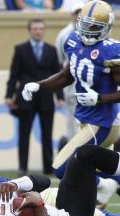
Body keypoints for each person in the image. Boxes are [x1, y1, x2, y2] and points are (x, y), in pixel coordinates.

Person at [21, 0, 120, 216]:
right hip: (87, 118)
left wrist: (100, 99)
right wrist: (39, 85)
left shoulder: (112, 50)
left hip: (101, 122)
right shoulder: (73, 41)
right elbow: (65, 76)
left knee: (62, 167)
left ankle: (105, 186)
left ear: (106, 28)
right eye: (85, 24)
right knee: (104, 163)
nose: (87, 30)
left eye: (94, 26)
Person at [6, 19, 63, 176]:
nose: (38, 31)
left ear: (44, 31)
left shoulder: (52, 50)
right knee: (24, 135)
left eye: (41, 28)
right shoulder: (20, 49)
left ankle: (48, 167)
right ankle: (22, 167)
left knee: (47, 134)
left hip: (46, 97)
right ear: (30, 30)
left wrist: (60, 96)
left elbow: (58, 76)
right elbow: (14, 75)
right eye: (35, 28)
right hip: (26, 98)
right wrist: (9, 95)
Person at [54, 1, 83, 142]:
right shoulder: (63, 35)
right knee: (72, 124)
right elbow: (60, 61)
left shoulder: (97, 33)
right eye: (76, 13)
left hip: (91, 88)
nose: (79, 16)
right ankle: (74, 159)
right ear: (72, 15)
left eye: (81, 13)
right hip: (71, 88)